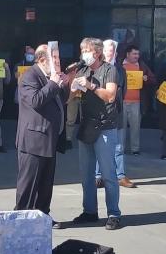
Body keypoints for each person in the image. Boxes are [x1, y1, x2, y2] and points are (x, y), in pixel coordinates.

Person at [15, 44, 70, 228]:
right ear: (42, 60)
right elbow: (35, 100)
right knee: (29, 185)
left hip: (49, 139)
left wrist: (64, 85)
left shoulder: (49, 77)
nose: (58, 63)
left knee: (46, 185)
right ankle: (22, 218)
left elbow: (58, 101)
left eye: (58, 59)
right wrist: (54, 83)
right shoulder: (29, 76)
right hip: (33, 140)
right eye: (55, 59)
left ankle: (42, 215)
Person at [70, 38, 122, 231]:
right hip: (86, 125)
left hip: (105, 126)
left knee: (108, 174)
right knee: (86, 174)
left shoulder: (109, 70)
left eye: (87, 50)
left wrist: (91, 86)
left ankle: (113, 214)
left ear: (98, 52)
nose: (84, 53)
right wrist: (73, 88)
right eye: (82, 49)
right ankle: (89, 211)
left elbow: (110, 96)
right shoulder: (82, 69)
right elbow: (72, 97)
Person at [95, 39, 134, 189]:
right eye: (106, 50)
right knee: (100, 144)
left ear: (115, 53)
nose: (109, 53)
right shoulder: (97, 68)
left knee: (118, 146)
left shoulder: (120, 70)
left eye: (111, 50)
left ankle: (120, 176)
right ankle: (98, 176)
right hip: (100, 112)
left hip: (116, 112)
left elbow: (122, 91)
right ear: (101, 52)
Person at [121, 45, 156, 155]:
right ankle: (120, 149)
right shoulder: (120, 65)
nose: (137, 56)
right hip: (122, 101)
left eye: (138, 54)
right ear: (128, 54)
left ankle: (135, 149)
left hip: (136, 102)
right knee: (121, 127)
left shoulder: (141, 66)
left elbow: (153, 79)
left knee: (135, 127)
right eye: (134, 54)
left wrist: (146, 79)